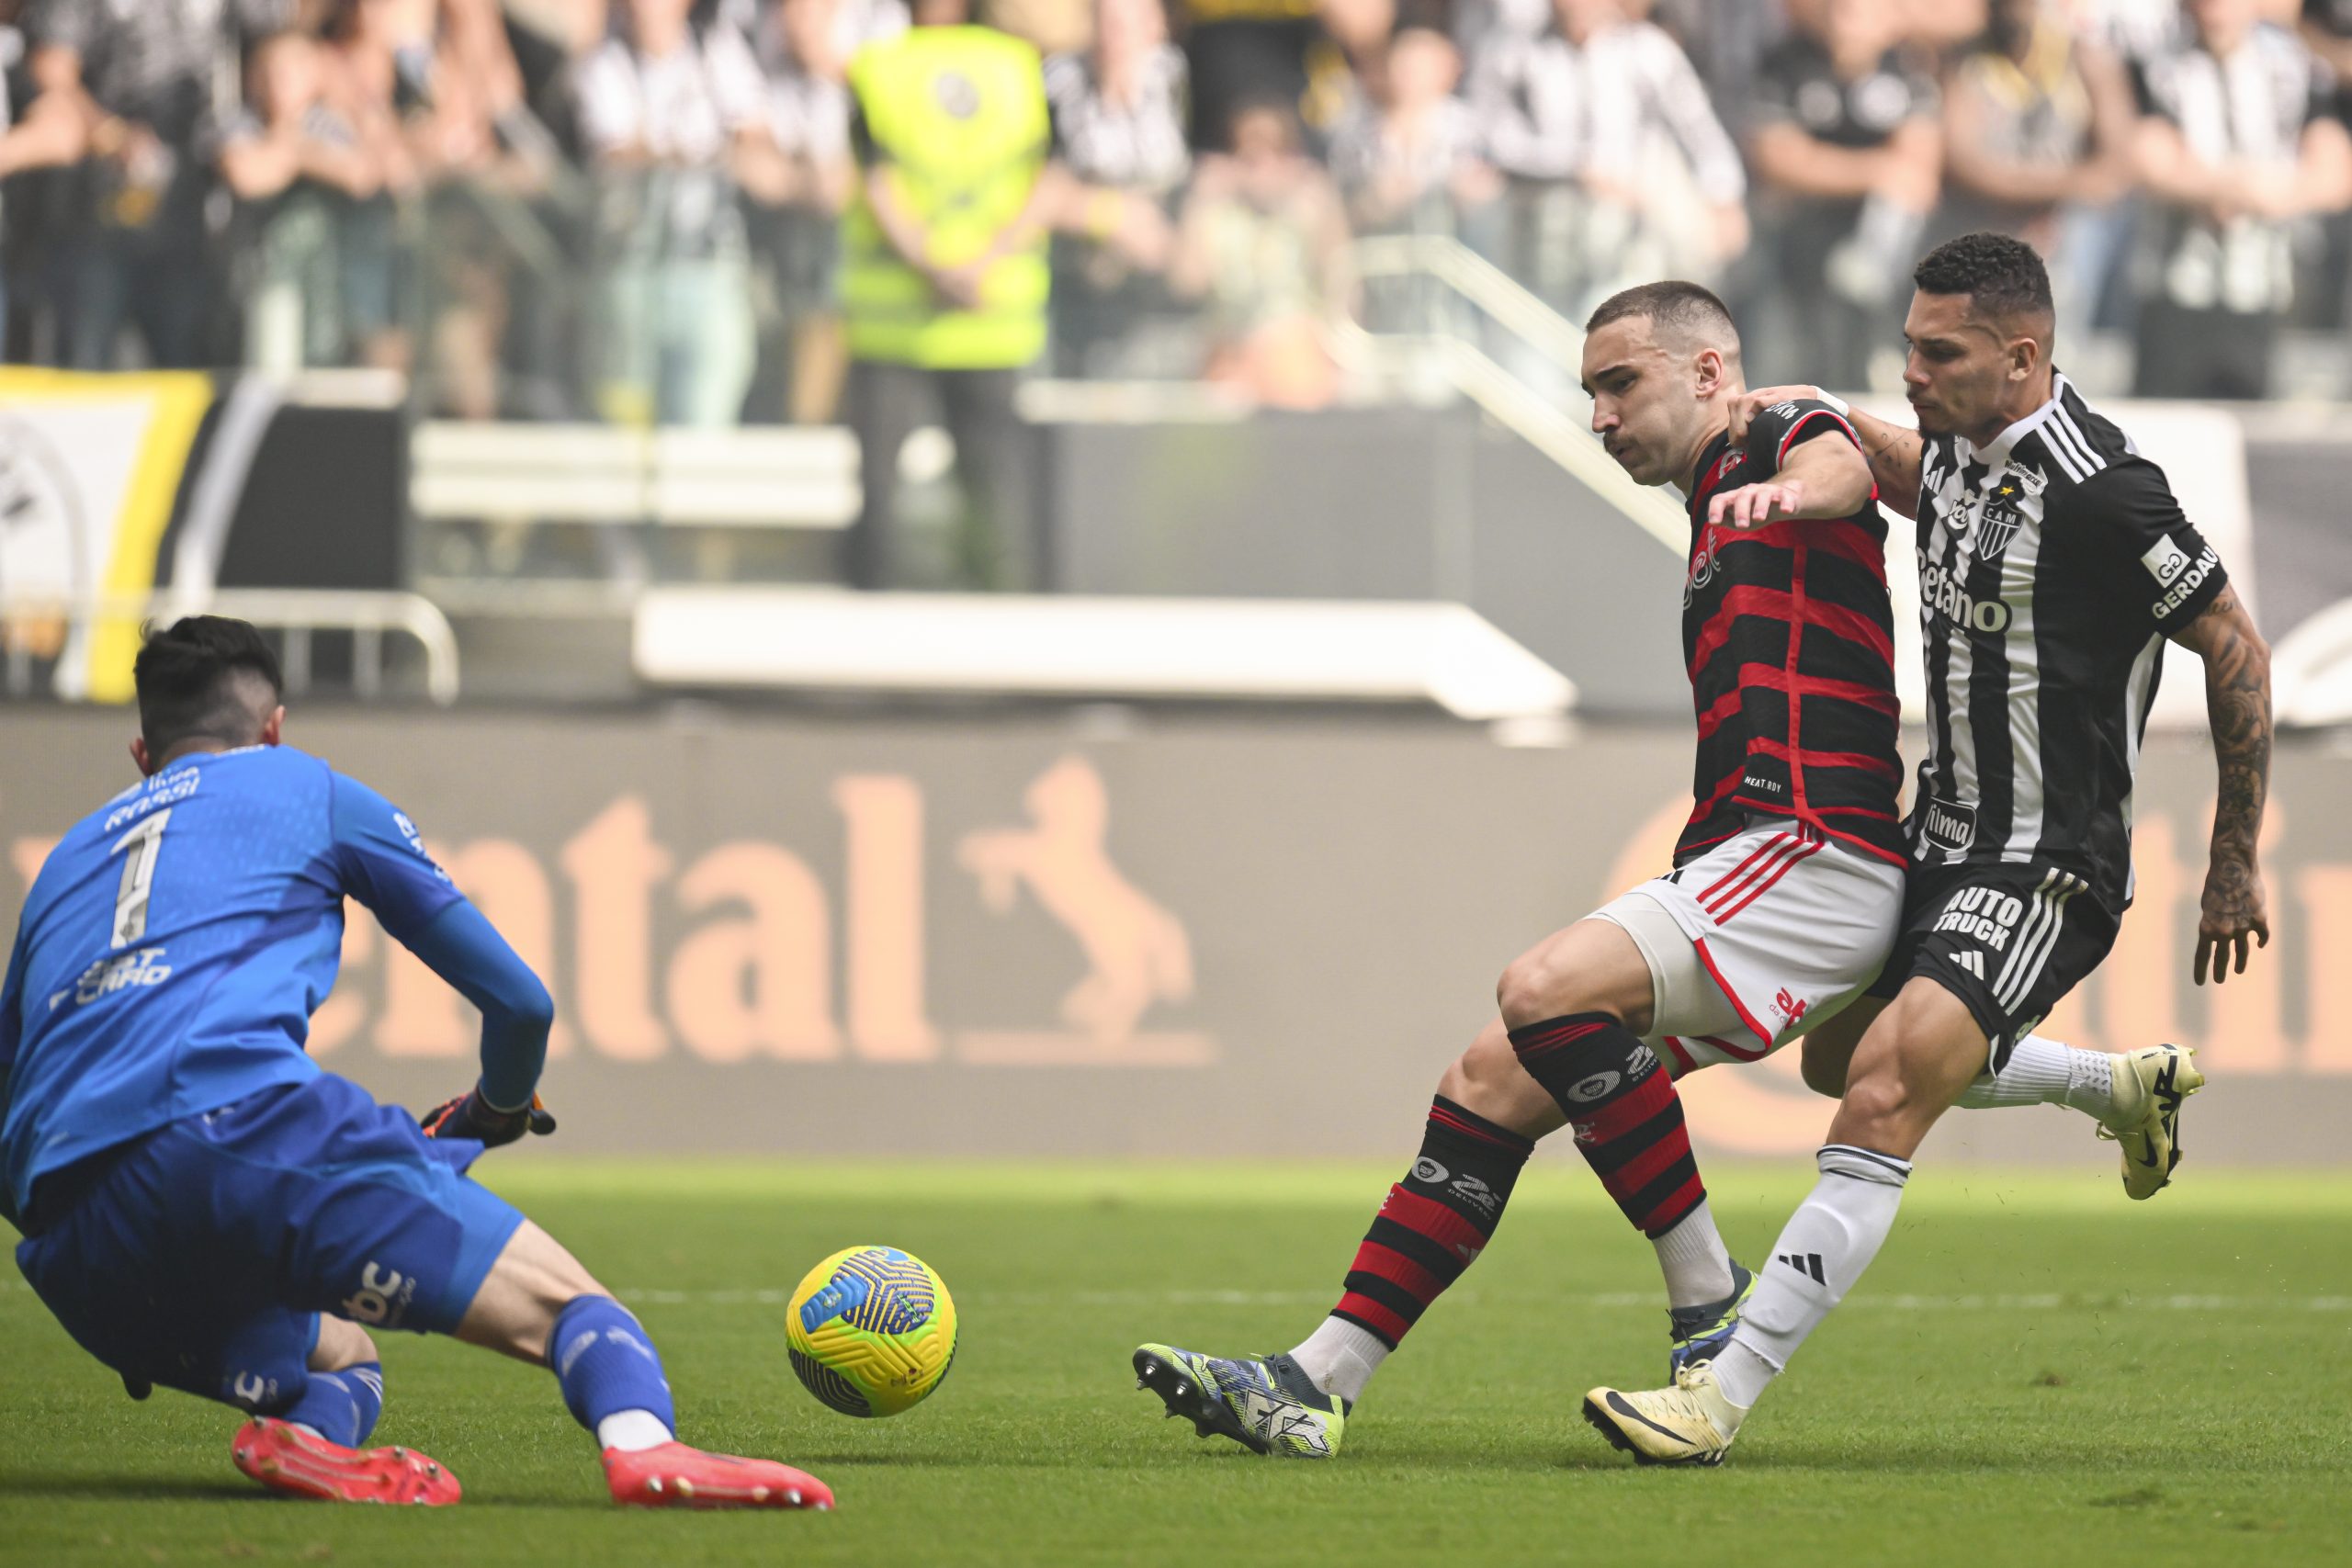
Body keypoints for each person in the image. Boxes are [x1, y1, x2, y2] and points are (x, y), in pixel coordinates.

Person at [1583, 232, 2269, 1467]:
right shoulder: (1953, 442)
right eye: (1907, 344)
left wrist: (2233, 859)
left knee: (1887, 1082)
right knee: (1836, 1054)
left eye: (1936, 352)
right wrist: (1824, 412)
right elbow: (1912, 473)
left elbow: (2233, 645)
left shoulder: (2111, 490)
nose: (1912, 370)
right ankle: (2116, 1085)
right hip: (1938, 837)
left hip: (2049, 860)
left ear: (2020, 359)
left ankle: (1714, 1395)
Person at [1, 616, 831, 1510]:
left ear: (141, 753)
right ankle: (645, 1445)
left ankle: (306, 1442)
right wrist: (495, 1110)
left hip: (75, 1242)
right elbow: (521, 1005)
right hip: (235, 1130)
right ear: (274, 728)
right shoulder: (306, 789)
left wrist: (118, 1259)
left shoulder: (64, 865)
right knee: (575, 1312)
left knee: (344, 1353)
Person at [842, 0, 1061, 590]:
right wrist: (981, 263)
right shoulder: (1019, 64)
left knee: (900, 508)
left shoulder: (879, 66)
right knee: (988, 505)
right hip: (980, 318)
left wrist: (934, 262)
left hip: (906, 318)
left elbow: (878, 181)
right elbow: (1046, 179)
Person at [2130, 0, 2352, 400]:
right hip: (2177, 289)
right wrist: (2235, 186)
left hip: (2261, 293)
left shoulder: (2292, 69)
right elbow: (2151, 163)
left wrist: (2274, 192)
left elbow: (2335, 172)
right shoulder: (2160, 66)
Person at [1744, 0, 1941, 392]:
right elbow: (1778, 160)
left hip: (1879, 248)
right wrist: (1875, 170)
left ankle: (1884, 356)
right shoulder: (1786, 64)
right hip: (1794, 235)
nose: (1844, 18)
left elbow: (1918, 170)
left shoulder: (1908, 71)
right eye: (1837, 7)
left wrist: (1824, 166)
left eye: (1860, 10)